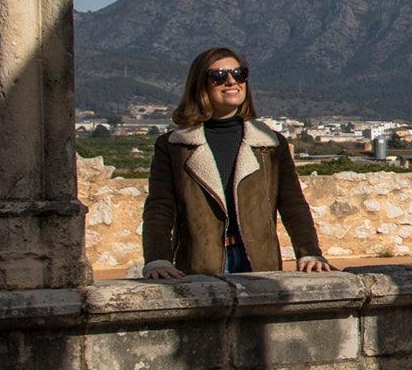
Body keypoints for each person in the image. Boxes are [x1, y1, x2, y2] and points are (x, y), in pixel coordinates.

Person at [141, 47, 335, 278]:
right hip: (200, 262)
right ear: (200, 85)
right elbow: (159, 208)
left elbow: (293, 203)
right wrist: (157, 260)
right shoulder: (174, 146)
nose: (231, 81)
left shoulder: (270, 145)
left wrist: (310, 252)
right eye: (219, 76)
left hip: (259, 261)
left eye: (239, 74)